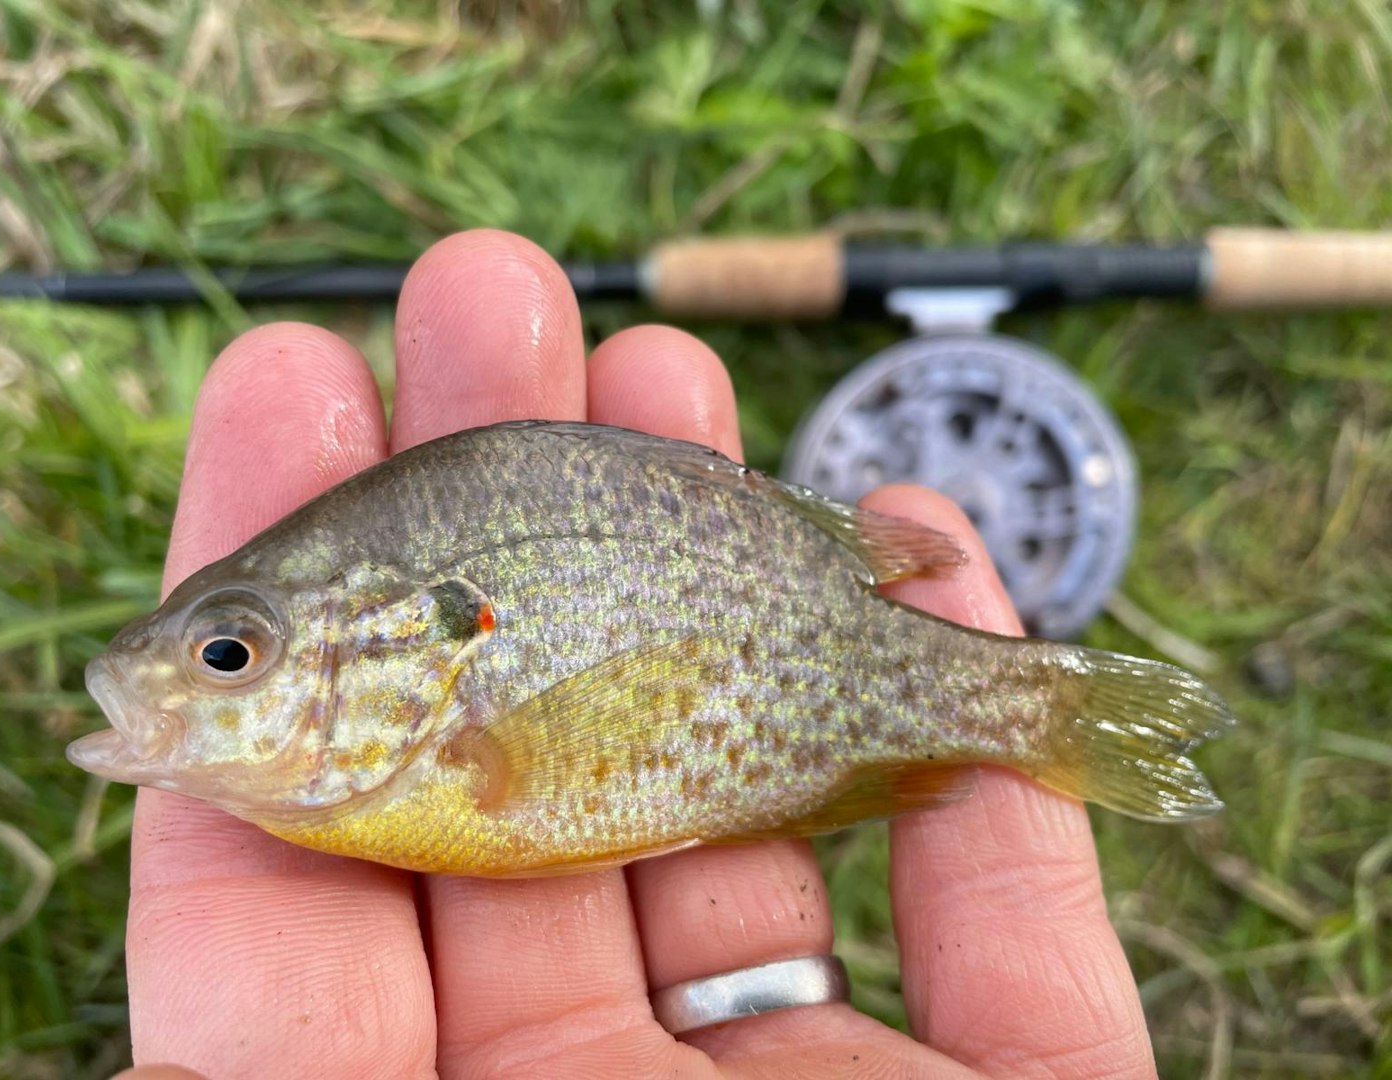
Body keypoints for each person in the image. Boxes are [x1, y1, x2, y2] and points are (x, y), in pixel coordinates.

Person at [112, 231, 1156, 1079]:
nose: (193, 681)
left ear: (402, 631)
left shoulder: (427, 765)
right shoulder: (366, 789)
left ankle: (1052, 716)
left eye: (228, 655)